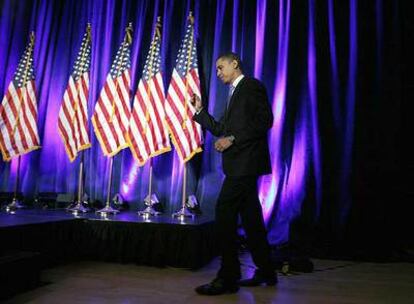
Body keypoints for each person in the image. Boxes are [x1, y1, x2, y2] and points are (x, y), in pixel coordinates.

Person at [192, 52, 276, 296]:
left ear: (234, 64)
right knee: (251, 219)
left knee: (224, 213)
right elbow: (221, 129)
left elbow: (265, 121)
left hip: (245, 165)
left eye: (221, 68)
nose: (218, 73)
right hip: (240, 166)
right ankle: (266, 270)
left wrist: (233, 138)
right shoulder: (233, 94)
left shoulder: (251, 86)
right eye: (216, 69)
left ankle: (228, 276)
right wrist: (200, 112)